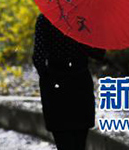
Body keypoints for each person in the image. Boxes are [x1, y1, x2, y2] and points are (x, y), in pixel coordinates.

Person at [32, 13, 105, 150]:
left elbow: (38, 57)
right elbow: (99, 53)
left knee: (63, 141)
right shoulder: (84, 19)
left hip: (55, 85)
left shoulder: (46, 18)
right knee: (79, 141)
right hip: (80, 82)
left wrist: (48, 79)